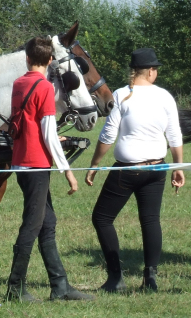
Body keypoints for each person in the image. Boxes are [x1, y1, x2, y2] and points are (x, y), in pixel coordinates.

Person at [85, 48, 184, 293]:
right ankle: (149, 279)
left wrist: (95, 164)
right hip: (158, 167)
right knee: (150, 220)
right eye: (156, 69)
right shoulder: (165, 97)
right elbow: (174, 135)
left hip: (127, 170)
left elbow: (108, 135)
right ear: (150, 71)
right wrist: (178, 167)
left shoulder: (121, 94)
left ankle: (115, 278)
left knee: (102, 218)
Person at [5, 36, 93, 302]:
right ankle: (14, 289)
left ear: (28, 59)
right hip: (36, 164)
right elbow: (48, 134)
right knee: (32, 225)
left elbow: (28, 122)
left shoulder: (18, 83)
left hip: (21, 160)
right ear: (51, 61)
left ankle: (60, 286)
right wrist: (67, 171)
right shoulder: (44, 88)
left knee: (48, 223)